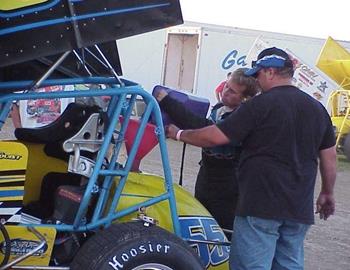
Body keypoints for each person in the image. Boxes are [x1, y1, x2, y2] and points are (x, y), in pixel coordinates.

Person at [165, 47, 337, 270]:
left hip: (260, 204)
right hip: (298, 208)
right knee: (288, 265)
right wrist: (327, 192)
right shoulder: (317, 109)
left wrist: (179, 134)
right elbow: (329, 155)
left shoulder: (260, 105)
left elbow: (216, 136)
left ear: (271, 72)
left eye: (258, 74)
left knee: (251, 265)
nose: (257, 81)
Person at [155, 68, 259, 236]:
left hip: (230, 185)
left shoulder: (243, 119)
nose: (225, 92)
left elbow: (206, 133)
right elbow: (199, 124)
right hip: (207, 177)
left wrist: (178, 131)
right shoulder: (219, 109)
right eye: (226, 86)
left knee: (223, 231)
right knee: (202, 222)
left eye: (232, 91)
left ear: (244, 99)